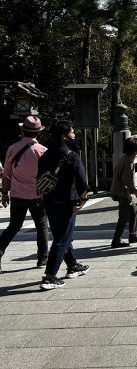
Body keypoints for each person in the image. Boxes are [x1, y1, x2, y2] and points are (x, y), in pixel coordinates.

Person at [37, 121, 90, 290]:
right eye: (72, 133)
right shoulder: (71, 155)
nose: (74, 136)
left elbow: (39, 178)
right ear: (64, 136)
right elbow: (82, 182)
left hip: (49, 200)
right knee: (62, 238)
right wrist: (83, 200)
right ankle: (50, 276)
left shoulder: (45, 155)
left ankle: (72, 265)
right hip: (67, 202)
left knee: (61, 234)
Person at [0, 116, 48, 272]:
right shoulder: (42, 151)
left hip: (17, 194)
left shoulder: (12, 149)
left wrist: (4, 193)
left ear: (23, 129)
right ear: (38, 132)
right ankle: (42, 258)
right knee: (41, 226)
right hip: (37, 194)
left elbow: (7, 174)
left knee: (14, 226)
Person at [110, 136, 137, 247]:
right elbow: (128, 182)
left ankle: (133, 235)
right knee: (124, 216)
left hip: (122, 191)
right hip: (122, 192)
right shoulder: (128, 162)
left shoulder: (125, 158)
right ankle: (116, 240)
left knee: (133, 210)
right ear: (134, 150)